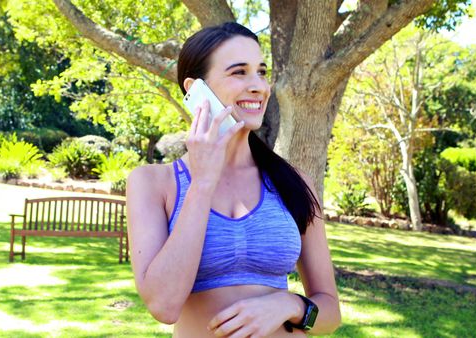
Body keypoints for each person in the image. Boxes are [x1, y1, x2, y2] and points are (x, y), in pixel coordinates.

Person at [126, 22, 340, 338]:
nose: (259, 87)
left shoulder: (294, 184)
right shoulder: (153, 183)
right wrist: (202, 182)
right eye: (239, 72)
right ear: (194, 89)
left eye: (262, 73)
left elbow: (330, 312)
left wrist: (289, 304)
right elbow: (164, 305)